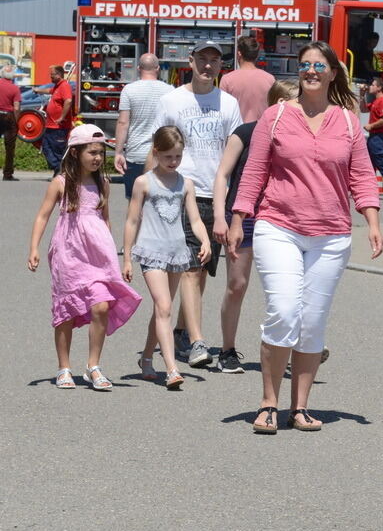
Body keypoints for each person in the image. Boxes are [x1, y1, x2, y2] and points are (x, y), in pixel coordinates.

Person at [229, 40, 382, 434]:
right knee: (283, 311)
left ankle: (300, 407)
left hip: (331, 236)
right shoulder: (277, 116)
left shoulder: (348, 121)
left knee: (312, 322)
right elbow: (254, 171)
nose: (311, 71)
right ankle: (267, 403)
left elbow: (362, 175)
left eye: (319, 65)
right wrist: (237, 217)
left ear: (333, 72)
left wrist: (373, 221)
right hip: (277, 226)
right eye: (305, 65)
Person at [26, 124, 141, 391]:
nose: (98, 158)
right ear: (76, 153)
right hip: (69, 253)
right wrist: (34, 248)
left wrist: (115, 256)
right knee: (66, 312)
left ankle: (93, 365)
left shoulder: (103, 183)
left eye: (101, 152)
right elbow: (43, 215)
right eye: (92, 152)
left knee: (101, 305)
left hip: (98, 254)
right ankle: (64, 367)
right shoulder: (61, 183)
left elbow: (106, 219)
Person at [153, 41, 243, 369]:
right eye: (202, 59)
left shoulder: (229, 104)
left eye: (214, 61)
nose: (208, 66)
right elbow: (157, 146)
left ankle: (179, 329)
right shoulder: (172, 100)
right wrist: (152, 191)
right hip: (180, 192)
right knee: (190, 269)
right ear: (190, 61)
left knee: (200, 269)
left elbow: (234, 152)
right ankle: (197, 342)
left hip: (214, 194)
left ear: (222, 66)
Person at [211, 82, 300, 376]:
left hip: (280, 217)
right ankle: (227, 350)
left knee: (285, 290)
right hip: (242, 215)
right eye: (291, 102)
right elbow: (223, 175)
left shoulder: (299, 136)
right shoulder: (246, 132)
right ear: (276, 103)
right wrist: (220, 217)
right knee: (237, 286)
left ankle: (289, 348)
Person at [123, 126, 210, 390]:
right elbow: (132, 220)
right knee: (164, 307)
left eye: (178, 157)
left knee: (163, 309)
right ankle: (172, 368)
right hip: (151, 251)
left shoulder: (186, 183)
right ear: (156, 153)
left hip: (176, 252)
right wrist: (127, 256)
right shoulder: (144, 182)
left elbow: (194, 218)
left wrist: (205, 240)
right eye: (168, 157)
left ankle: (147, 357)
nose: (173, 162)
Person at [113, 53, 173, 199]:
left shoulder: (128, 90)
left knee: (135, 203)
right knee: (158, 202)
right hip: (160, 156)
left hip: (135, 155)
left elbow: (123, 123)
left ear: (138, 68)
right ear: (158, 69)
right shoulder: (170, 90)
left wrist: (118, 152)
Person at [220, 35, 276, 123]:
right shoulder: (270, 79)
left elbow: (223, 111)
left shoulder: (227, 79)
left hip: (236, 133)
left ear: (239, 53)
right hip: (261, 132)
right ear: (256, 55)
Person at [35, 65, 73, 173]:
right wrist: (38, 90)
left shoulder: (64, 86)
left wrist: (62, 117)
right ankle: (59, 169)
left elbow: (68, 101)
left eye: (52, 75)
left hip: (59, 127)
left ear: (59, 75)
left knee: (57, 150)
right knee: (45, 147)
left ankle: (61, 171)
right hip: (50, 125)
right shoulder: (57, 86)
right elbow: (49, 90)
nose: (50, 77)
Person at [0, 65, 20, 181]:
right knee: (10, 146)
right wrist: (17, 121)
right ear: (12, 75)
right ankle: (7, 174)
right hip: (8, 116)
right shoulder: (15, 88)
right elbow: (16, 108)